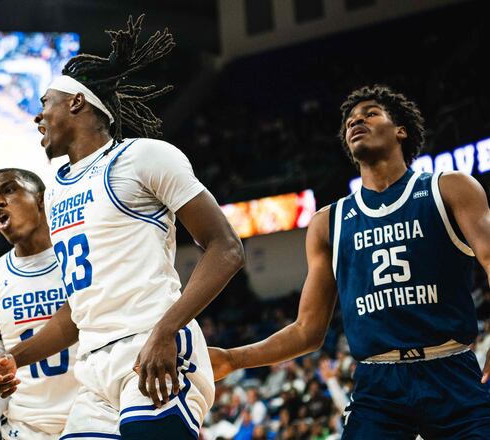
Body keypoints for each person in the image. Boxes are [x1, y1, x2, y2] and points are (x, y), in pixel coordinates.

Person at [0, 15, 245, 439]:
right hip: (94, 367)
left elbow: (226, 247)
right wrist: (16, 357)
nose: (37, 117)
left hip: (153, 344)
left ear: (76, 103)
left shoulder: (143, 157)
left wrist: (166, 330)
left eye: (43, 103)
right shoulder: (55, 191)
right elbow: (75, 314)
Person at [209, 85, 490, 438]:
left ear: (400, 129)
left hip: (452, 372)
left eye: (371, 113)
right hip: (378, 385)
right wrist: (233, 359)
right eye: (350, 121)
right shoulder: (329, 222)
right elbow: (307, 331)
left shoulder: (450, 188)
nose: (357, 120)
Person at [0, 169, 80, 440]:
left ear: (41, 200)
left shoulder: (81, 258)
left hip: (93, 419)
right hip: (25, 430)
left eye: (8, 190)